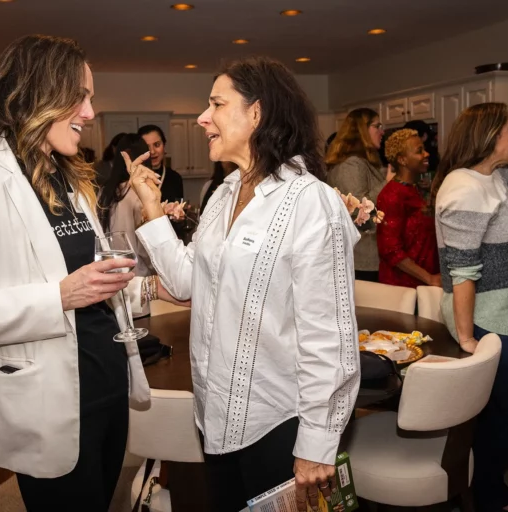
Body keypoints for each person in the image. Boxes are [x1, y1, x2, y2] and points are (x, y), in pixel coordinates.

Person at [0, 35, 156, 511]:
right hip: (48, 405)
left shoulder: (70, 179)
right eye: (81, 96)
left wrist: (142, 287)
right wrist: (59, 297)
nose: (91, 112)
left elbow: (91, 282)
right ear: (34, 95)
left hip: (107, 390)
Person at [127, 56, 360, 512]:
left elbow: (328, 336)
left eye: (216, 104)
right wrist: (152, 209)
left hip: (278, 424)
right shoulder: (223, 194)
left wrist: (316, 442)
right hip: (214, 416)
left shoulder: (310, 202)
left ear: (257, 113)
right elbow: (185, 280)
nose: (202, 118)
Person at [432, 102, 508, 512]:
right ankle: (483, 490)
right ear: (490, 135)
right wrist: (465, 336)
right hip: (484, 319)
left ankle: (485, 490)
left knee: (499, 410)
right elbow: (462, 272)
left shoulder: (493, 176)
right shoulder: (464, 188)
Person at [326, 107, 389, 282]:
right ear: (362, 129)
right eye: (377, 126)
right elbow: (358, 213)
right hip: (363, 258)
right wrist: (388, 182)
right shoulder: (351, 165)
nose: (382, 131)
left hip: (370, 258)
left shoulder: (362, 163)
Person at [98, 134, 155, 317]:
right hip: (137, 285)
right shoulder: (139, 192)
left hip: (109, 285)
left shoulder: (104, 192)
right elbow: (147, 246)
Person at [376, 128, 440, 288]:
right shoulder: (392, 196)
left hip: (425, 284)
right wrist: (430, 279)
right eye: (419, 151)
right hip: (403, 288)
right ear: (402, 160)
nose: (426, 154)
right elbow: (391, 251)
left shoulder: (415, 189)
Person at [138, 124, 185, 201]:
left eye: (157, 145)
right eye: (147, 147)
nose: (152, 151)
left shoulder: (175, 178)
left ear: (164, 146)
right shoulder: (134, 179)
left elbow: (179, 209)